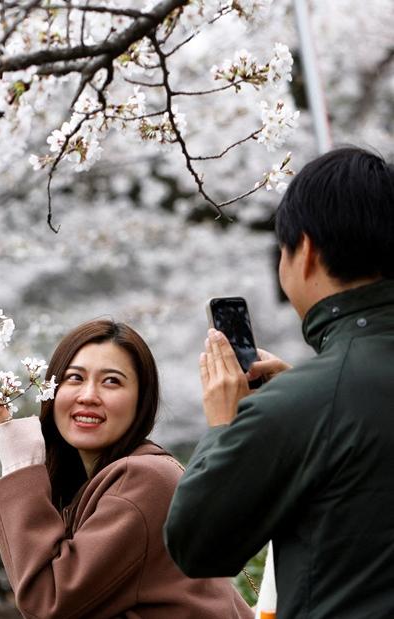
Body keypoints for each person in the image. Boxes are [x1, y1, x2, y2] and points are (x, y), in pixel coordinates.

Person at [165, 147, 394, 617]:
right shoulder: (313, 400)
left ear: (304, 252)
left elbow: (196, 543)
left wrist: (225, 425)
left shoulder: (303, 404)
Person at [0, 319, 249, 618]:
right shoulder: (101, 482)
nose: (88, 395)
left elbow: (47, 600)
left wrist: (20, 461)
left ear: (141, 400)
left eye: (111, 381)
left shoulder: (144, 479)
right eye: (74, 378)